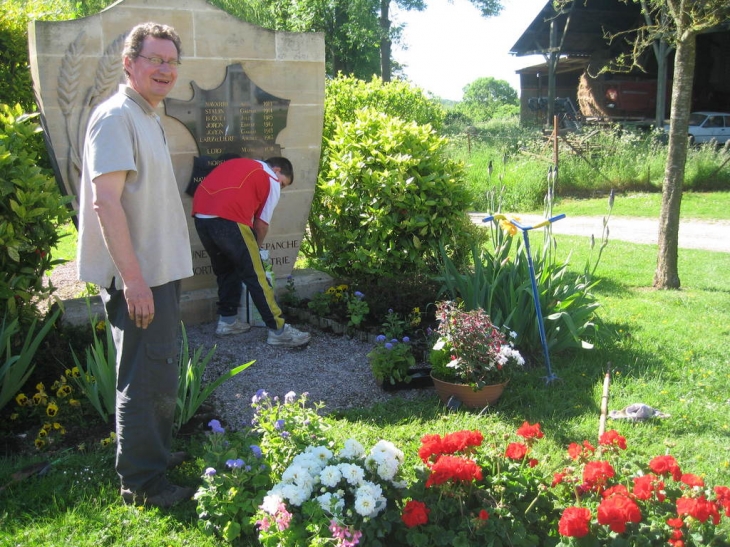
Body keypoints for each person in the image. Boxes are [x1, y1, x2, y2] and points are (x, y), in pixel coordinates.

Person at [76, 22, 195, 508]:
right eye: (154, 59)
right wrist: (134, 281)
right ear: (130, 63)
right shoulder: (115, 117)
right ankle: (143, 485)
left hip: (156, 274)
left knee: (158, 371)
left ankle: (153, 458)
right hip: (139, 279)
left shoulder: (146, 115)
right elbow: (106, 203)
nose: (164, 69)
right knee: (145, 376)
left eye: (171, 62)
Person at [192, 156, 311, 347]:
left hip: (201, 217)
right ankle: (278, 331)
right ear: (277, 170)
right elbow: (261, 224)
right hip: (230, 219)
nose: (280, 188)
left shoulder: (239, 163)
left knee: (225, 270)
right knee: (256, 276)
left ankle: (227, 321)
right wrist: (257, 249)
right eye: (283, 184)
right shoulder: (270, 177)